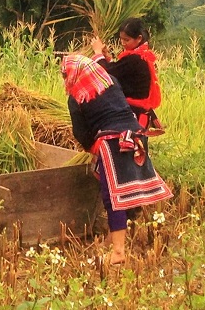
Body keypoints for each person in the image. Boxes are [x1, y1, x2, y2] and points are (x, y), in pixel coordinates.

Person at [61, 54, 172, 265]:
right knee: (127, 190)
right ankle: (114, 237)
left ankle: (118, 252)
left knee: (114, 198)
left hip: (114, 142)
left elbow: (81, 133)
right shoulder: (111, 81)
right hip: (137, 136)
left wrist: (92, 148)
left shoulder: (76, 96)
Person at [91, 17, 162, 130]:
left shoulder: (135, 58)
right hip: (137, 112)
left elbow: (108, 71)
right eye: (121, 39)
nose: (123, 43)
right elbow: (119, 70)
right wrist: (105, 57)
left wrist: (97, 52)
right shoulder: (139, 55)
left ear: (138, 38)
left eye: (127, 40)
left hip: (133, 113)